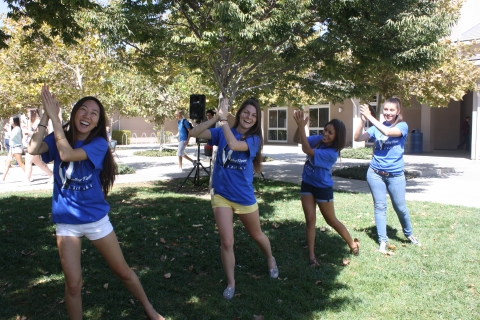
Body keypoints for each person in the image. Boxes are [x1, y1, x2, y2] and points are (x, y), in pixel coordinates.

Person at [28, 85, 164, 320]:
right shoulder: (60, 137)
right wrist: (45, 116)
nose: (87, 116)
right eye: (83, 110)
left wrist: (56, 122)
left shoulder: (99, 144)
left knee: (122, 272)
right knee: (73, 284)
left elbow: (67, 155)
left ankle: (150, 310)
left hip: (95, 220)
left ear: (98, 122)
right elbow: (32, 148)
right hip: (67, 223)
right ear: (74, 114)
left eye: (94, 113)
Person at [189, 98, 278, 300]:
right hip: (221, 195)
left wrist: (223, 122)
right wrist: (217, 118)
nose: (249, 117)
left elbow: (233, 144)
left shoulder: (254, 139)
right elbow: (193, 133)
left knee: (257, 235)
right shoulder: (222, 130)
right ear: (239, 113)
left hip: (243, 197)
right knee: (227, 242)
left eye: (254, 115)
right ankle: (231, 282)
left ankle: (271, 259)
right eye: (246, 112)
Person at [354, 97, 421, 253]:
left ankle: (409, 234)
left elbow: (389, 132)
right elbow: (358, 138)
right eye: (386, 110)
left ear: (398, 112)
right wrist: (363, 121)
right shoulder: (377, 127)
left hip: (395, 175)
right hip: (375, 173)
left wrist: (371, 117)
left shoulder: (402, 126)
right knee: (380, 206)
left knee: (400, 207)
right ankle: (382, 240)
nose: (388, 113)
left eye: (392, 110)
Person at [293, 112, 359, 266]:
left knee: (331, 220)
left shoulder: (332, 153)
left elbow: (307, 151)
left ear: (337, 136)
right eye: (325, 130)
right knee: (310, 219)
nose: (326, 134)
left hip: (323, 188)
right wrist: (299, 127)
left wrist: (303, 128)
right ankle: (311, 257)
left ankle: (352, 243)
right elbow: (297, 140)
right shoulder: (319, 140)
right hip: (307, 184)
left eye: (330, 133)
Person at [22, 109, 53, 184]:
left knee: (28, 161)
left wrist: (28, 132)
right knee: (38, 162)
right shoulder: (32, 122)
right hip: (31, 144)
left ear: (34, 112)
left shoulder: (38, 122)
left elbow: (40, 134)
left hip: (35, 144)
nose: (27, 114)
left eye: (28, 112)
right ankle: (52, 175)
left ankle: (27, 180)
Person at [1, 116, 25, 182]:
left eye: (11, 120)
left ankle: (28, 175)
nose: (9, 121)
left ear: (15, 121)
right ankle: (3, 178)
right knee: (7, 163)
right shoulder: (13, 128)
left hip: (16, 147)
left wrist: (7, 130)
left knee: (20, 163)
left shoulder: (17, 128)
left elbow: (12, 137)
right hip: (12, 148)